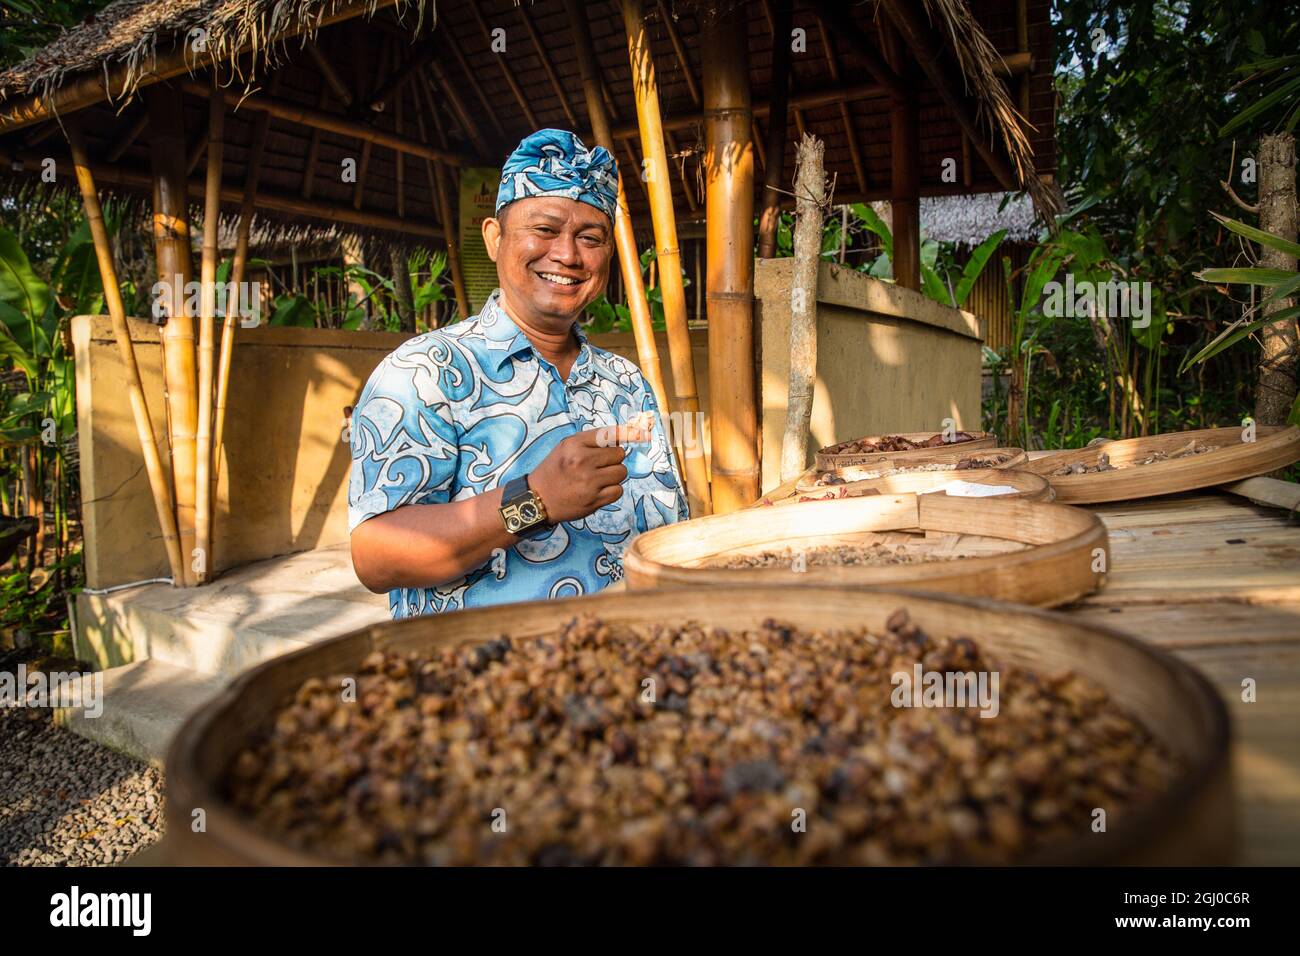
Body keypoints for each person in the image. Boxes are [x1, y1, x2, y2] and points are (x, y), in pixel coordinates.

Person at [347, 129, 689, 618]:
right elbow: (375, 556)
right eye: (545, 230)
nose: (568, 255)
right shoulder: (423, 371)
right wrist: (535, 498)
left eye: (590, 238)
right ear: (494, 237)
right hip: (487, 683)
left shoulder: (625, 381)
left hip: (627, 669)